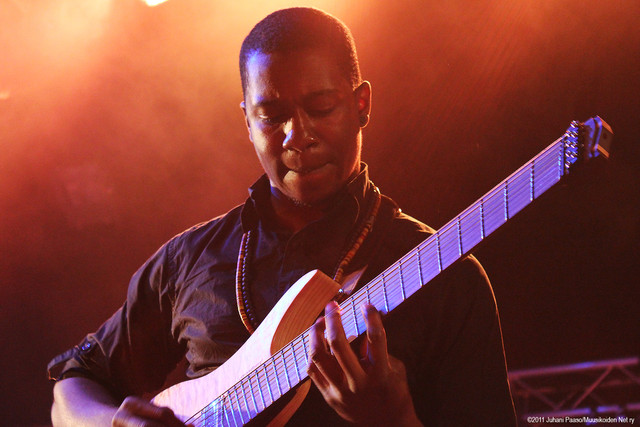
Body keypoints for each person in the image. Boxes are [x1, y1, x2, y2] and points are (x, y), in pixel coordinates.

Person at [48, 7, 516, 426]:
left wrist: (392, 420)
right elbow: (73, 384)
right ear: (247, 122)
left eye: (321, 107)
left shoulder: (449, 278)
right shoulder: (188, 260)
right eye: (271, 115)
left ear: (361, 105)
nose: (297, 135)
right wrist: (110, 424)